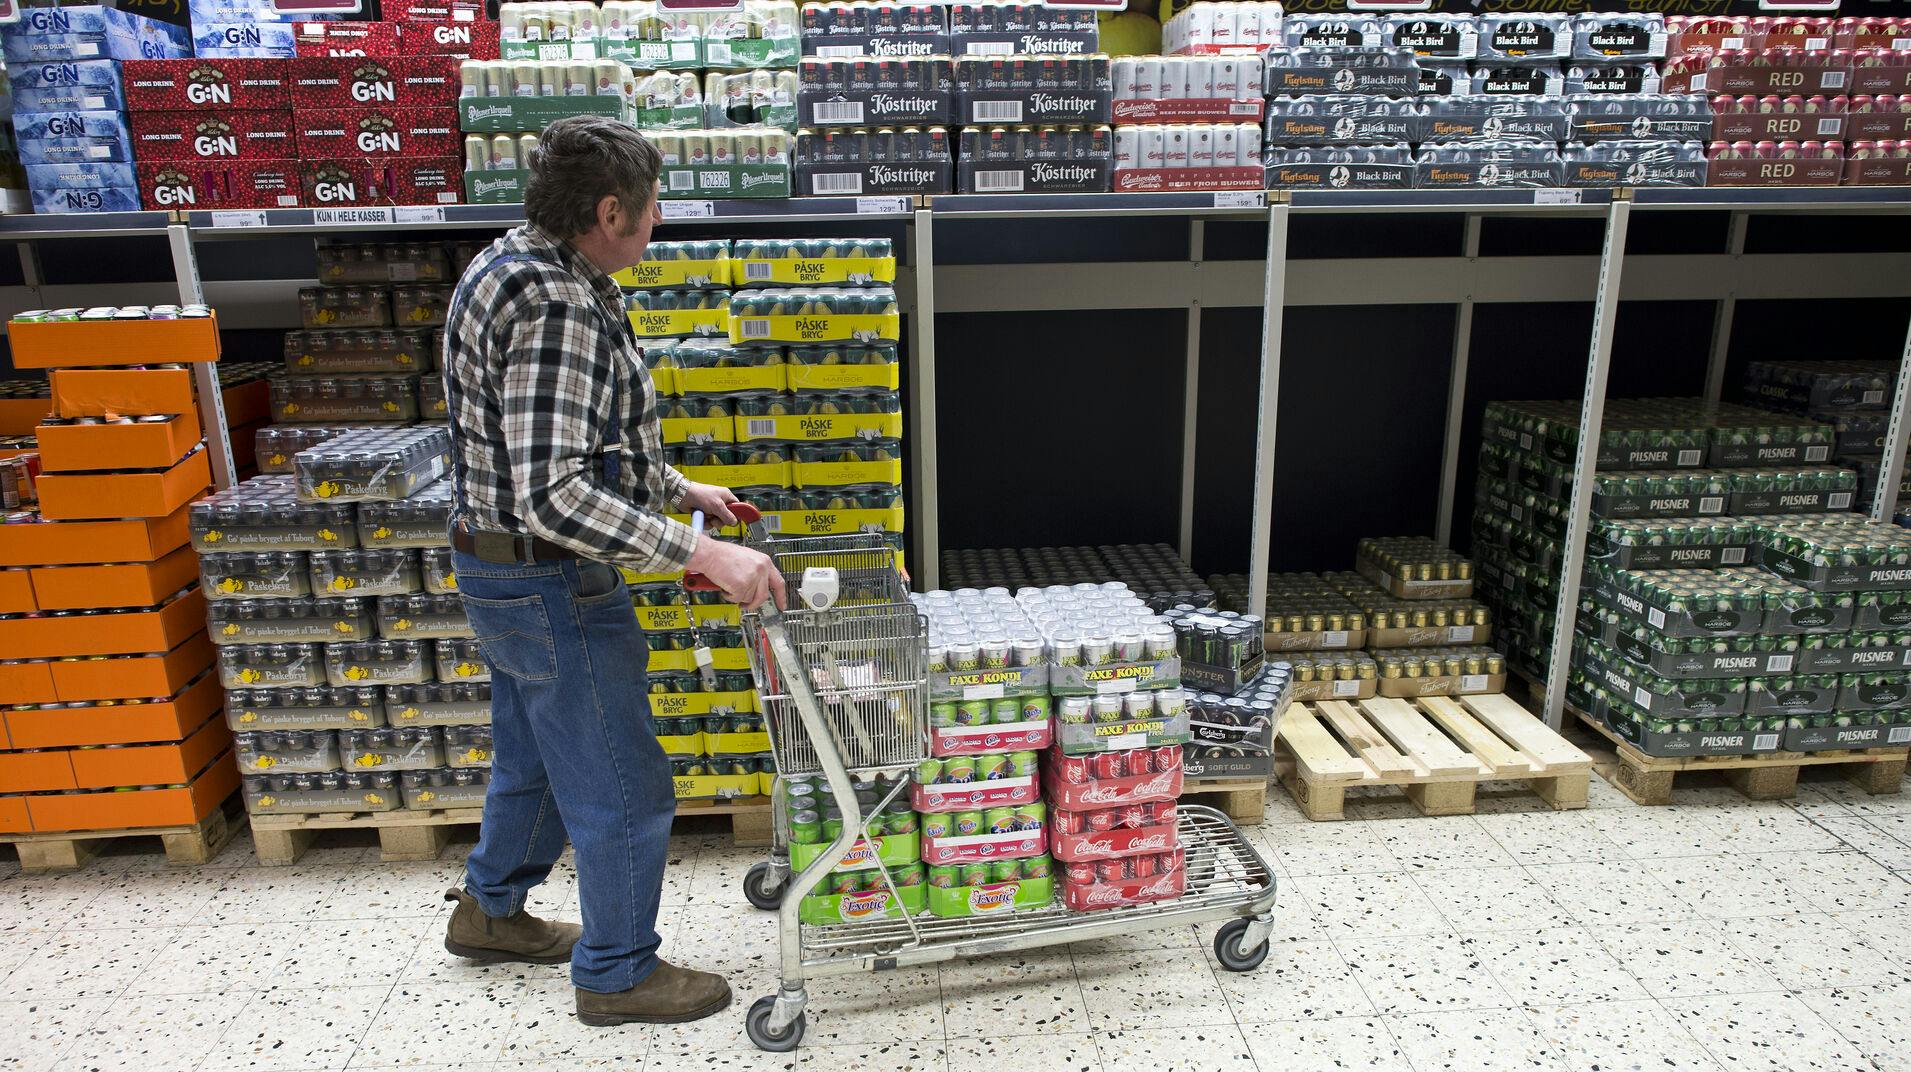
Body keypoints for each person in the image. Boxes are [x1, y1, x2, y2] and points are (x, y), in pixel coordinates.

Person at [435, 115, 786, 1027]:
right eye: (650, 204)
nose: (659, 218)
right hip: (550, 578)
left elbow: (551, 442)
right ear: (606, 210)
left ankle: (489, 913)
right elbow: (553, 492)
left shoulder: (516, 262)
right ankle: (619, 973)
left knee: (536, 763)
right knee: (623, 785)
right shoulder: (557, 305)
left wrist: (677, 486)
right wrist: (702, 552)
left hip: (496, 567)